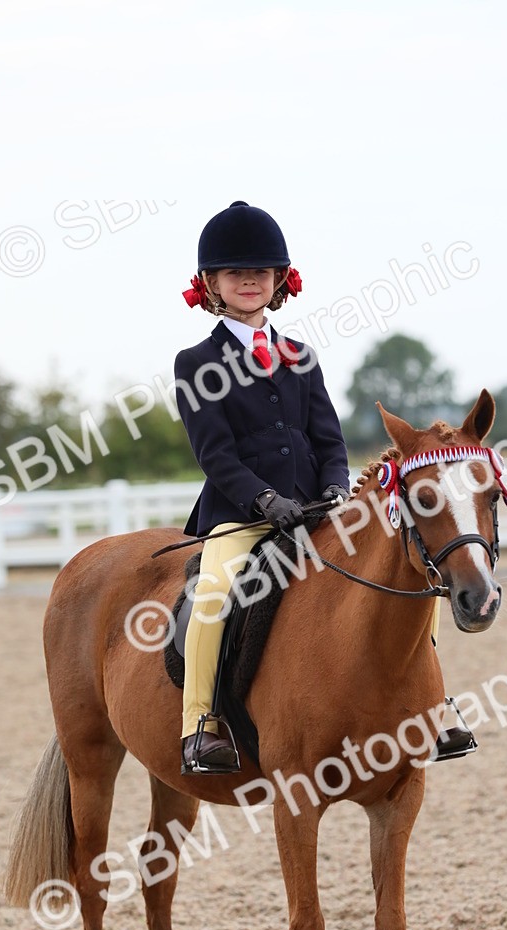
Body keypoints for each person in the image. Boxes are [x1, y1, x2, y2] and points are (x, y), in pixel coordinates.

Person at [174, 201, 350, 773]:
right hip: (243, 516)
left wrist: (338, 489)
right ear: (212, 285)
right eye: (234, 273)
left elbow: (329, 438)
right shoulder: (195, 362)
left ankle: (432, 707)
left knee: (406, 558)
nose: (249, 280)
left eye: (260, 272)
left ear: (278, 281)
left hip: (317, 509)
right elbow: (215, 455)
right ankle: (201, 722)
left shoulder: (301, 356)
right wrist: (264, 500)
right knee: (213, 591)